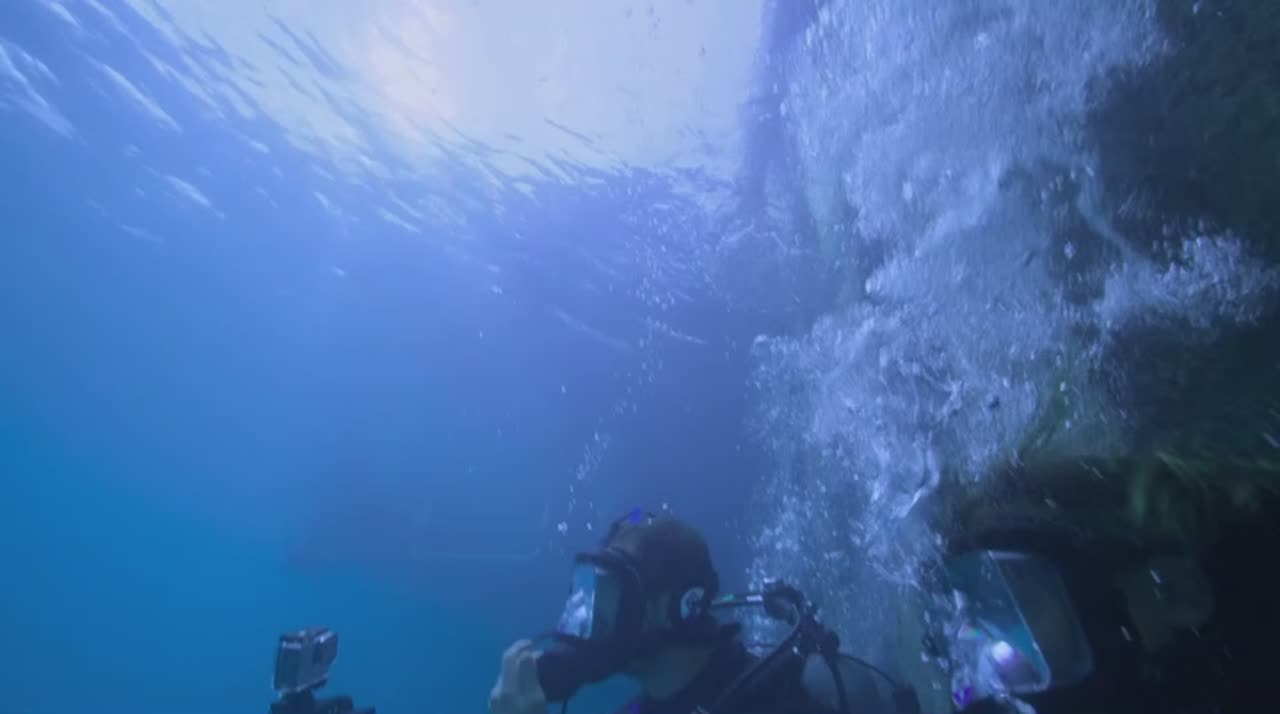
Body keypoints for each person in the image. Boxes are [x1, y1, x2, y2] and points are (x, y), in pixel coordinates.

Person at [488, 509, 902, 714]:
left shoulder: (786, 697)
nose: (588, 617)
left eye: (612, 594)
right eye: (588, 591)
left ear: (680, 607)